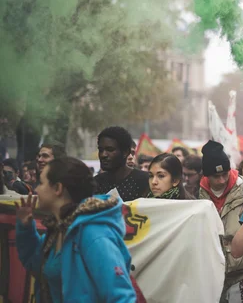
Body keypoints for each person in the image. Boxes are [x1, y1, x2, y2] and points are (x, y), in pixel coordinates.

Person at [15, 156, 136, 302]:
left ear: (58, 188)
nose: (36, 189)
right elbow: (35, 264)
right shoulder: (58, 230)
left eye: (41, 183)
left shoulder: (92, 234)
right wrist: (25, 228)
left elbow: (121, 297)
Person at [198, 141, 243, 303]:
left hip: (242, 271)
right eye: (216, 176)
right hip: (211, 273)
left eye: (225, 173)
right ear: (206, 175)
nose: (221, 180)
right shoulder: (198, 195)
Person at [94, 126, 150, 202]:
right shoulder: (95, 183)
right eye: (101, 150)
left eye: (110, 150)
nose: (103, 155)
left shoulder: (145, 181)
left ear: (125, 152)